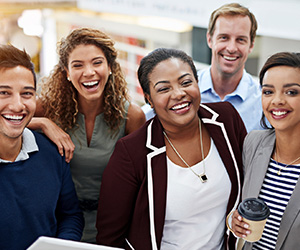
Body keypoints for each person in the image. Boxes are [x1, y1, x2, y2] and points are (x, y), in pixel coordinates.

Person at [96, 48, 247, 249]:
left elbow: (248, 180)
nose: (179, 94)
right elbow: (109, 237)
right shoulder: (131, 153)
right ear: (149, 99)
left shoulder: (226, 119)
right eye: (164, 89)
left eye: (186, 82)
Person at [30, 28, 146, 243]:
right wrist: (42, 123)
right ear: (66, 71)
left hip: (114, 226)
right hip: (59, 224)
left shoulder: (132, 116)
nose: (89, 72)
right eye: (77, 65)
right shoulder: (45, 109)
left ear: (110, 67)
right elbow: (7, 123)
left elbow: (141, 183)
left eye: (97, 62)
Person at [0, 44, 84, 250]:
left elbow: (70, 215)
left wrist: (61, 245)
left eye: (27, 94)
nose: (18, 105)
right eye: (4, 93)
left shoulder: (52, 153)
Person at [142, 3, 262, 132]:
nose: (231, 48)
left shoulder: (262, 100)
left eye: (240, 40)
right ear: (210, 39)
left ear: (251, 45)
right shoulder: (185, 90)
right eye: (224, 38)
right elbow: (144, 116)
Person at [231, 52, 300, 250]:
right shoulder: (253, 142)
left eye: (291, 92)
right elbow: (236, 201)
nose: (277, 101)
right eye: (268, 92)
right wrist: (233, 220)